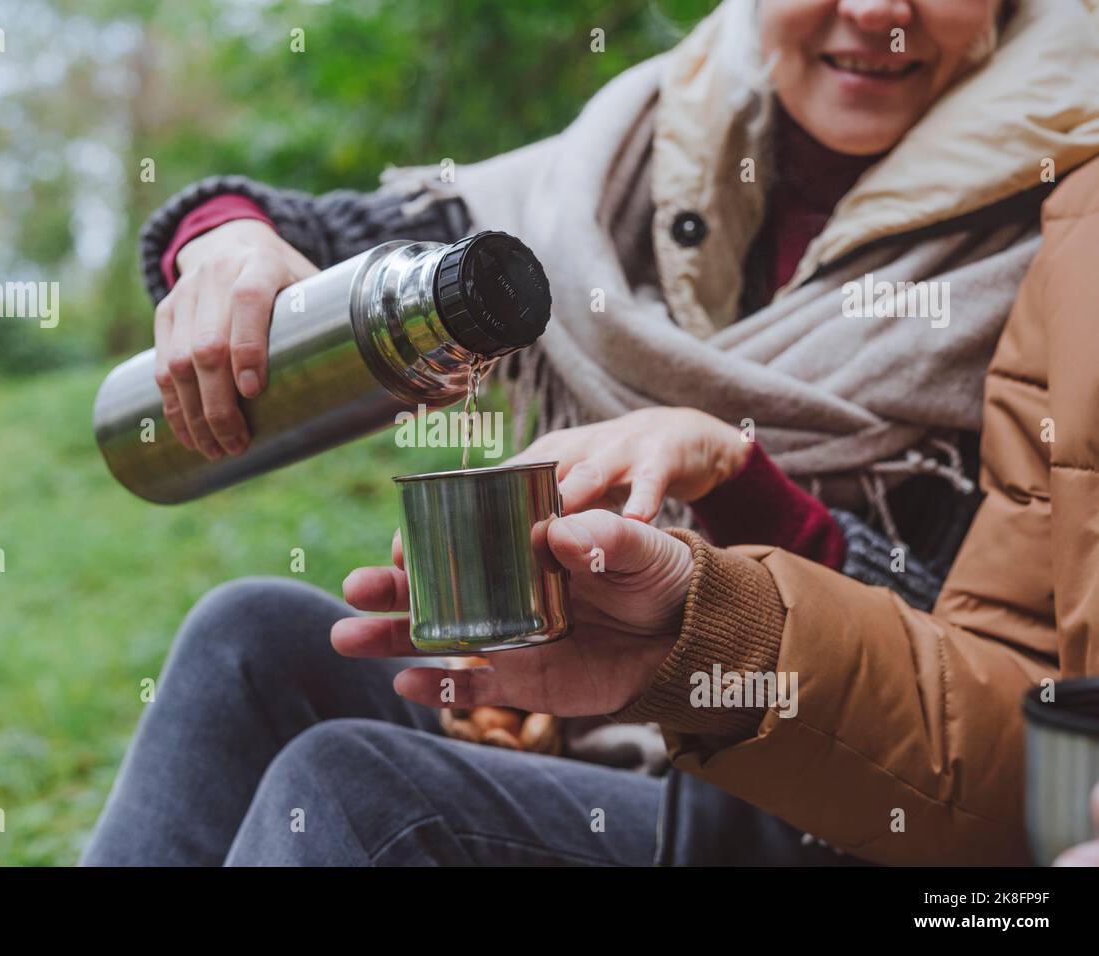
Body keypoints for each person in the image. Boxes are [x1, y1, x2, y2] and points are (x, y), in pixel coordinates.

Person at [81, 0, 1099, 865]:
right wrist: (228, 243)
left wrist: (735, 476)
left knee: (357, 787)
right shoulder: (646, 148)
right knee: (249, 634)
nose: (879, 11)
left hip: (810, 799)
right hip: (589, 711)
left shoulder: (1055, 224)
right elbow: (362, 247)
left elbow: (979, 685)